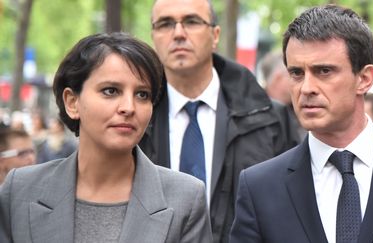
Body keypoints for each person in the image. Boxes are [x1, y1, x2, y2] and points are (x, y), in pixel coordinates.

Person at [230, 5, 373, 243]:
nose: (306, 88)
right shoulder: (259, 187)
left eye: (324, 71)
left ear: (364, 79)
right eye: (296, 73)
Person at [0, 32, 212, 243]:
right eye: (111, 91)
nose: (129, 108)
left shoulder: (186, 199)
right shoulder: (20, 190)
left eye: (142, 94)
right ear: (72, 102)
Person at [140, 0, 296, 242]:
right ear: (153, 36)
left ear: (215, 35)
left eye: (191, 22)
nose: (178, 33)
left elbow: (293, 204)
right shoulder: (134, 120)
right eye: (165, 24)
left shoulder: (270, 118)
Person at [260, 51, 307, 144]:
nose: (304, 83)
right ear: (278, 77)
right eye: (296, 74)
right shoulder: (254, 112)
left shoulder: (303, 109)